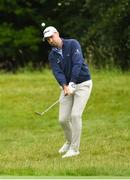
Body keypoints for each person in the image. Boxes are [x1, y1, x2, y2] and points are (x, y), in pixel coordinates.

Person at [43, 26, 92, 158]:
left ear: (57, 34)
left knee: (75, 115)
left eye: (51, 37)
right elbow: (57, 72)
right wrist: (64, 85)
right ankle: (69, 142)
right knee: (63, 119)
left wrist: (72, 82)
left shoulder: (72, 44)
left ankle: (75, 149)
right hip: (67, 87)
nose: (50, 40)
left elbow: (77, 63)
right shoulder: (52, 55)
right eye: (48, 39)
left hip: (82, 84)